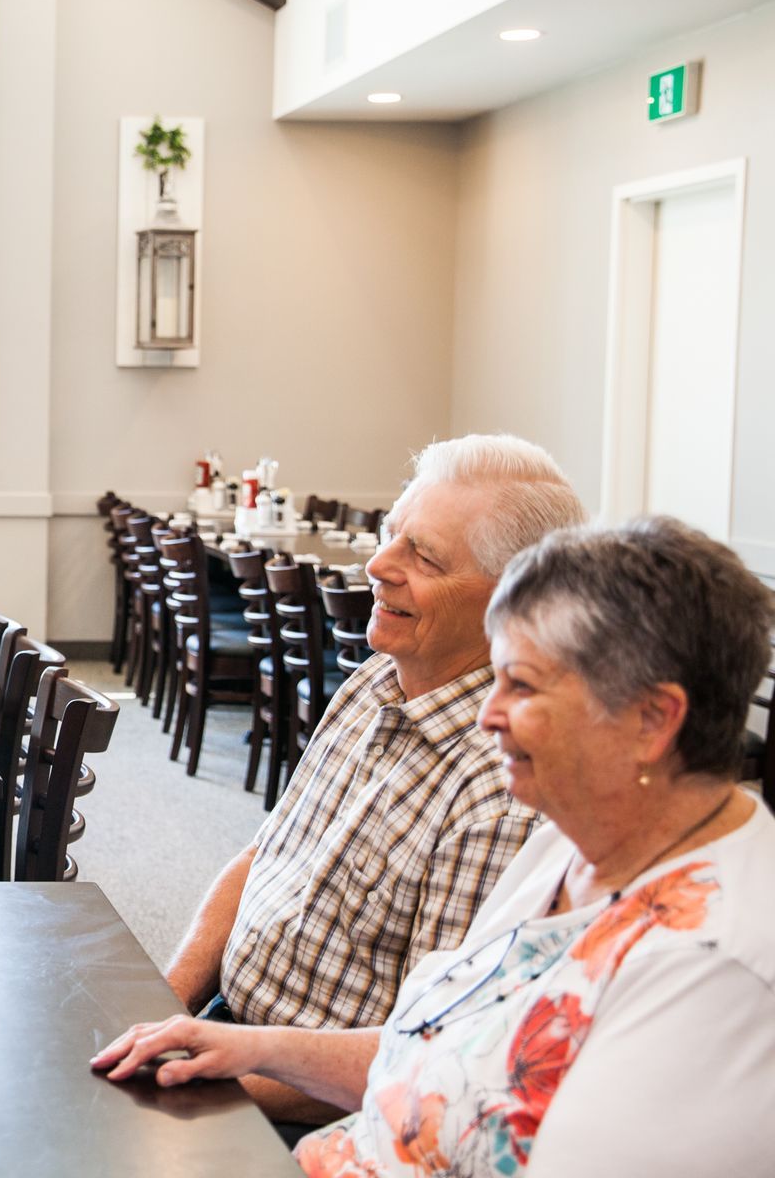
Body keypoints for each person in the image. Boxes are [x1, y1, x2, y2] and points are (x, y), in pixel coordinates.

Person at [94, 516, 775, 1176]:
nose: (486, 714)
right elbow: (440, 1053)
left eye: (523, 686)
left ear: (652, 721)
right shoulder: (577, 839)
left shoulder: (718, 964)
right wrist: (248, 1046)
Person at [144, 434, 586, 1131]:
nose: (379, 565)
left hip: (321, 1110)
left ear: (515, 601)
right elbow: (264, 858)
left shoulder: (499, 790)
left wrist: (204, 1082)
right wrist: (161, 1001)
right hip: (227, 1039)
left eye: (424, 556)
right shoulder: (374, 680)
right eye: (390, 535)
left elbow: (422, 1058)